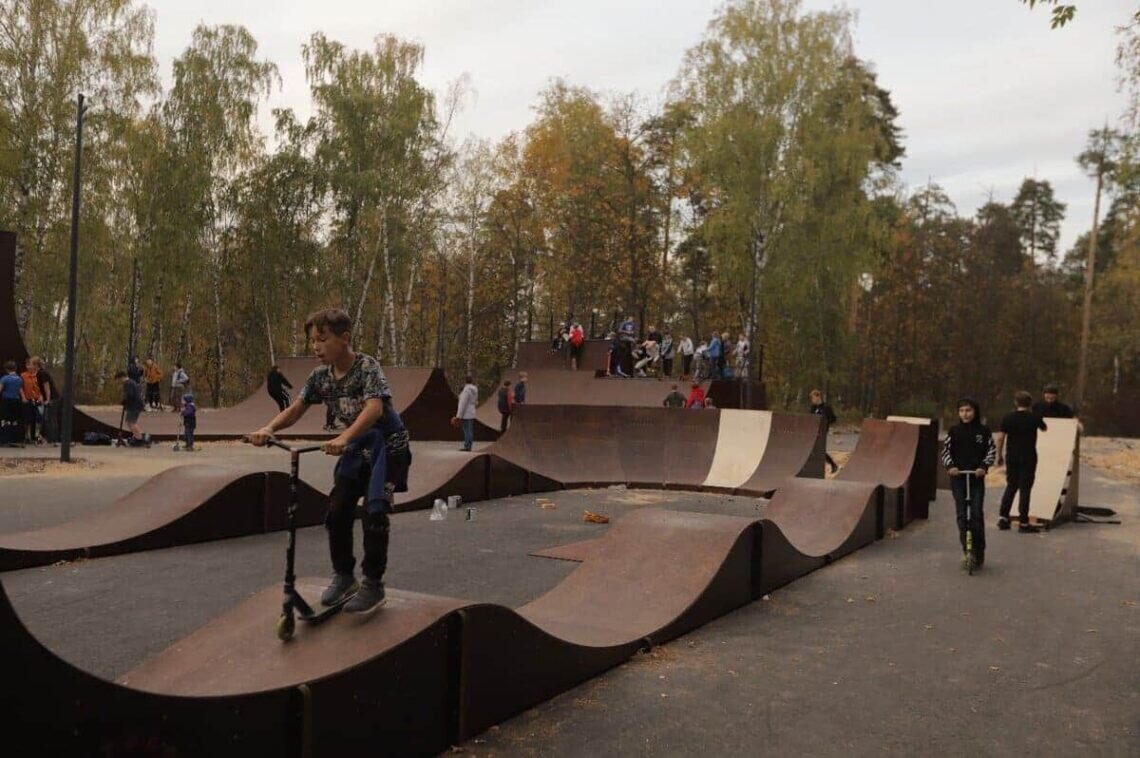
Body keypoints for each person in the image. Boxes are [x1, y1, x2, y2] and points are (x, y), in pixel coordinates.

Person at [247, 308, 405, 615]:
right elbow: (296, 408)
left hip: (386, 443)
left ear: (344, 338)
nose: (316, 347)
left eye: (323, 339)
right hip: (356, 443)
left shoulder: (366, 366)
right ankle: (344, 576)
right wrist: (269, 428)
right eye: (312, 341)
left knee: (374, 510)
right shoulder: (320, 377)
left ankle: (373, 583)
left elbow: (374, 409)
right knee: (338, 508)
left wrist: (344, 438)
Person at [940, 397, 996, 568]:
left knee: (976, 514)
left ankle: (979, 551)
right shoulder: (954, 431)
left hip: (976, 478)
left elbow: (991, 451)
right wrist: (950, 466)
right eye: (962, 411)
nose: (965, 414)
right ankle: (967, 550)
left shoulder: (983, 431)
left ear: (975, 411)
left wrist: (983, 466)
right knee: (962, 515)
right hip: (958, 478)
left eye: (968, 410)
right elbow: (945, 452)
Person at [995, 390, 1049, 533]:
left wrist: (999, 455)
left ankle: (1003, 518)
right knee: (1025, 489)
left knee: (1011, 486)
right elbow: (1045, 429)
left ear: (1015, 403)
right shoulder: (1034, 417)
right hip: (1029, 456)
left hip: (1012, 456)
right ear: (1030, 403)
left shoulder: (1008, 417)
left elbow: (1000, 438)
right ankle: (1023, 522)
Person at [809, 389, 839, 474]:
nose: (812, 400)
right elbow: (810, 418)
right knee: (815, 449)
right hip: (814, 431)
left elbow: (833, 419)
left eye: (813, 398)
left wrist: (826, 422)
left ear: (818, 397)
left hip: (822, 431)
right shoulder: (813, 408)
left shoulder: (826, 407)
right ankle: (830, 465)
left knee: (820, 449)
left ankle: (833, 464)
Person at [113, 369, 147, 445]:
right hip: (134, 405)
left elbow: (130, 394)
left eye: (119, 380)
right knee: (130, 422)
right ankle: (137, 437)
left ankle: (139, 439)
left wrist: (124, 400)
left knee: (131, 423)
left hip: (135, 406)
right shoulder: (130, 382)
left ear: (122, 377)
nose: (119, 382)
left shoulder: (128, 383)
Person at [1, 361, 26, 446]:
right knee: (15, 420)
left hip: (7, 401)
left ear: (7, 370)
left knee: (5, 419)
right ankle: (16, 438)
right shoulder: (19, 379)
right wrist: (23, 398)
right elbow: (20, 390)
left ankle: (5, 438)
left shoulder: (5, 378)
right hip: (16, 401)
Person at [20, 358, 43, 445]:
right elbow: (21, 388)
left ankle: (37, 435)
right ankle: (27, 436)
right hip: (28, 399)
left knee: (39, 417)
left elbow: (41, 387)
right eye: (28, 365)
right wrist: (23, 397)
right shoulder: (23, 375)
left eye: (32, 365)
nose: (30, 367)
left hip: (37, 399)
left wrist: (41, 396)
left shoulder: (39, 375)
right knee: (28, 418)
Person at [457, 375, 478, 451]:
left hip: (466, 413)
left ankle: (467, 446)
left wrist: (458, 415)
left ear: (465, 381)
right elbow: (475, 401)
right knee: (470, 430)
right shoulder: (475, 389)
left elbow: (463, 403)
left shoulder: (466, 390)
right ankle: (469, 445)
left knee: (466, 430)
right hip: (472, 411)